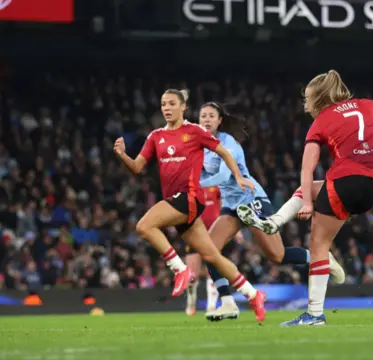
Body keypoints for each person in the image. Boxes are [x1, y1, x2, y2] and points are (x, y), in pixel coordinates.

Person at [252, 70, 373, 326]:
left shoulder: (321, 121)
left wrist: (308, 205)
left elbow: (307, 167)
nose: (305, 105)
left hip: (345, 180)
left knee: (318, 244)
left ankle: (314, 313)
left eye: (308, 99)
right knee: (317, 188)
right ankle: (275, 221)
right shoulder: (366, 105)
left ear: (319, 99)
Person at [114, 89, 267, 322]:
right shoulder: (156, 136)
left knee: (144, 226)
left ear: (183, 107)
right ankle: (253, 294)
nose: (166, 108)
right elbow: (136, 167)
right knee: (212, 256)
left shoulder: (194, 131)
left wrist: (237, 175)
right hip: (178, 200)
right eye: (163, 104)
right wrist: (122, 155)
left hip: (189, 197)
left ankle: (179, 270)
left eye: (171, 103)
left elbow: (224, 152)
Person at [194, 102, 346, 322]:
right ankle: (227, 303)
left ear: (219, 121)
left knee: (277, 255)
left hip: (252, 200)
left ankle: (321, 259)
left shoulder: (229, 144)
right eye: (202, 116)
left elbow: (223, 177)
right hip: (231, 206)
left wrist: (196, 183)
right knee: (208, 249)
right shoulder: (201, 146)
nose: (206, 119)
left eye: (211, 116)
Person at [185, 186, 221, 317]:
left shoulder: (216, 186)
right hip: (195, 232)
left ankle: (211, 307)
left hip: (214, 232)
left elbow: (223, 207)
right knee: (191, 276)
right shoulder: (190, 186)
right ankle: (191, 302)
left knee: (213, 270)